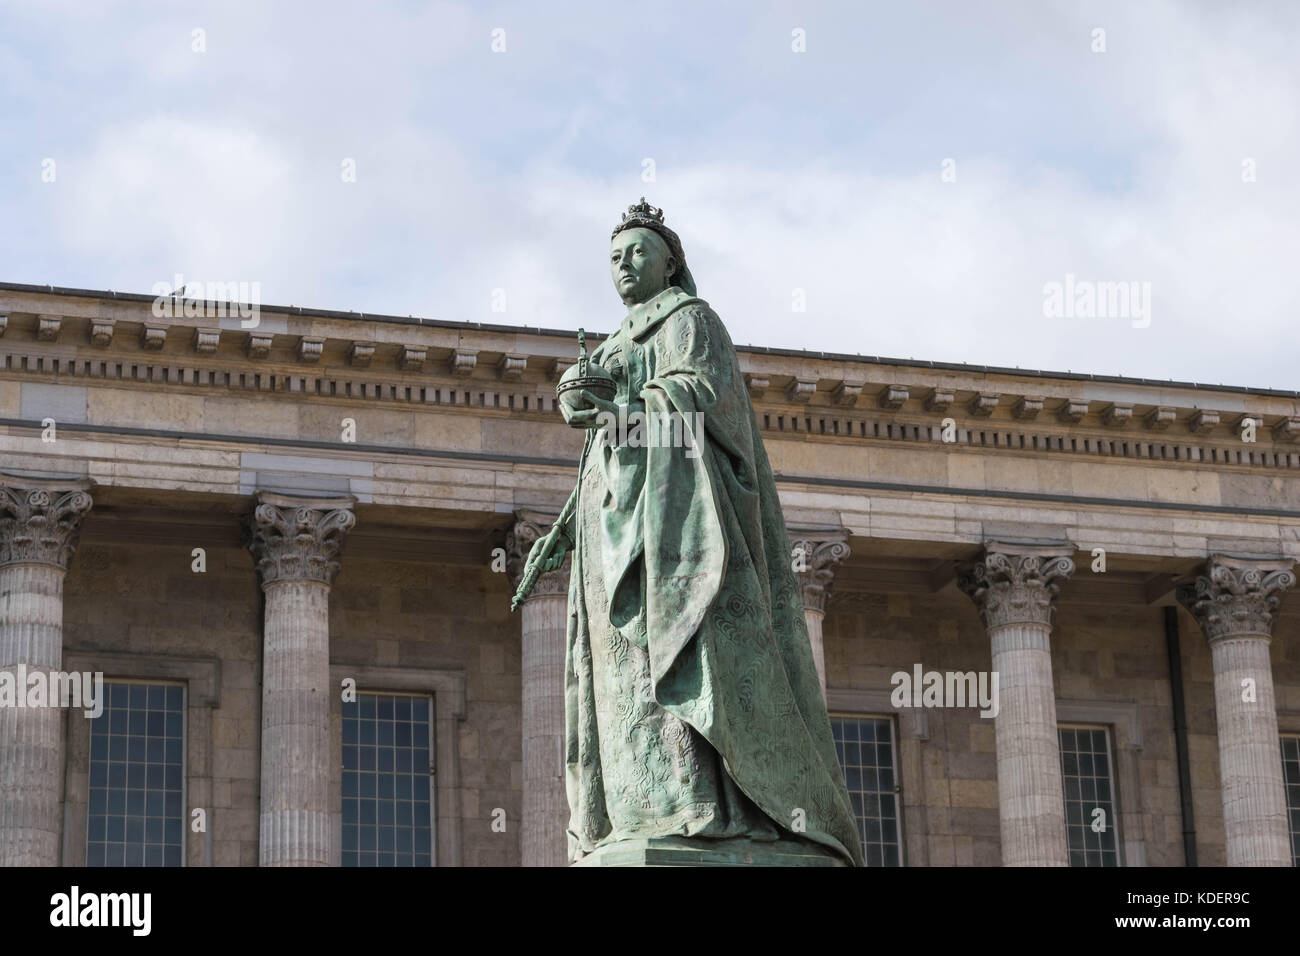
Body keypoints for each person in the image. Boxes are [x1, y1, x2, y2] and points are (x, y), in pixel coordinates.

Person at [523, 199, 863, 866]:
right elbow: (604, 455)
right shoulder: (613, 346)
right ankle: (644, 810)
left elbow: (699, 402)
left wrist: (618, 406)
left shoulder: (690, 322)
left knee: (688, 665)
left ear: (670, 262)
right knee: (625, 687)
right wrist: (570, 518)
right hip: (615, 535)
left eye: (638, 252)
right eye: (615, 256)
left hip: (678, 530)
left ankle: (707, 808)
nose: (624, 264)